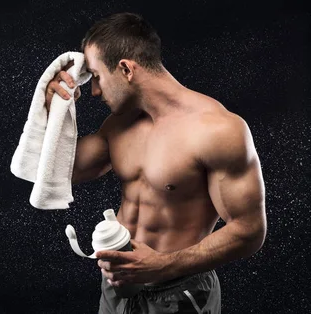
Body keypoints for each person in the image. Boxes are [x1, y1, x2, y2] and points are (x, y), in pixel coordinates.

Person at [44, 12, 267, 313]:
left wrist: (162, 265)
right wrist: (52, 108)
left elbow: (250, 230)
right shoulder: (118, 125)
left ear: (125, 69)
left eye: (96, 77)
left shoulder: (218, 130)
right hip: (116, 289)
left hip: (179, 290)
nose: (94, 91)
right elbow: (54, 173)